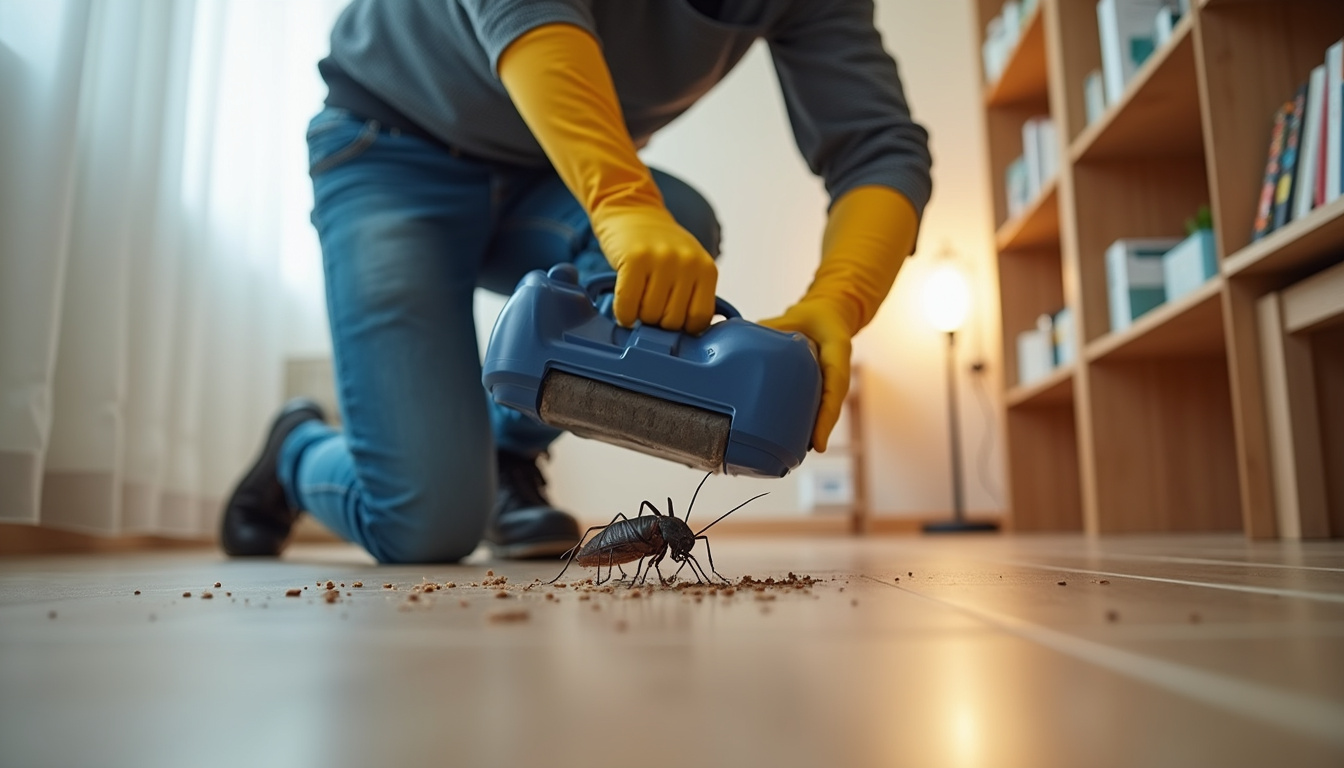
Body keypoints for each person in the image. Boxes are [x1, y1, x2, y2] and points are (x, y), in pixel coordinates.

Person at [219, 0, 932, 564]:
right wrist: (622, 197)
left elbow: (881, 146)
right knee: (422, 527)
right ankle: (296, 450)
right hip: (388, 148)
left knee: (678, 226)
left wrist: (839, 298)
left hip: (543, 171)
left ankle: (505, 455)